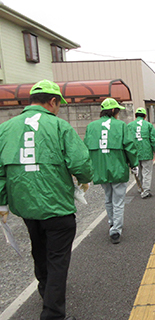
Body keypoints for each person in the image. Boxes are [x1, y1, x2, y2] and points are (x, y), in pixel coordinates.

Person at [0, 79, 93, 320]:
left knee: (39, 253)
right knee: (57, 261)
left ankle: (46, 292)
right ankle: (52, 314)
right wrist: (84, 180)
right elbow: (80, 163)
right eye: (58, 104)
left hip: (27, 208)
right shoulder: (59, 126)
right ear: (52, 101)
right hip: (57, 207)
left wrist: (2, 202)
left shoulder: (6, 128)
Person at [84, 98, 138, 244]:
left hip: (100, 169)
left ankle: (112, 222)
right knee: (118, 200)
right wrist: (134, 164)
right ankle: (116, 230)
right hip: (118, 167)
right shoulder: (120, 125)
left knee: (108, 197)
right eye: (118, 111)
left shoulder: (91, 126)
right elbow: (129, 147)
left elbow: (86, 148)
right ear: (114, 111)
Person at [127, 107, 155, 199]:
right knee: (147, 172)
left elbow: (127, 140)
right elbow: (153, 139)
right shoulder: (148, 125)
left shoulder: (129, 125)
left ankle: (140, 187)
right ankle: (145, 191)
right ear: (145, 116)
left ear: (135, 116)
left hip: (134, 153)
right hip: (147, 152)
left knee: (137, 171)